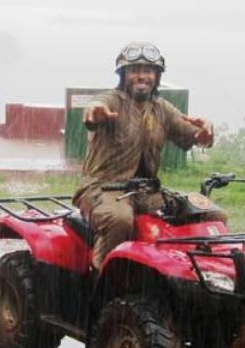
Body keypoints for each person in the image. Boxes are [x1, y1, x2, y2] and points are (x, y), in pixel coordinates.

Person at [72, 41, 216, 270]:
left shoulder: (162, 109)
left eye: (148, 71)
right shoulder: (112, 101)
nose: (141, 76)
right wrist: (93, 112)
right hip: (103, 188)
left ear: (156, 77)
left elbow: (193, 133)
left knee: (207, 214)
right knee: (120, 221)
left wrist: (205, 132)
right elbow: (95, 109)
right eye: (134, 70)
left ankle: (202, 275)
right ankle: (103, 279)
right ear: (124, 75)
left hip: (147, 191)